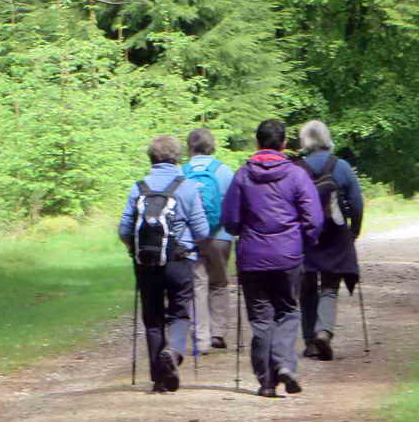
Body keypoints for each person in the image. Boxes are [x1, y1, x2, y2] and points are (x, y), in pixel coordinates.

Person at [221, 118, 322, 398]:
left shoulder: (242, 175)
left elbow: (229, 220)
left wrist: (245, 231)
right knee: (288, 311)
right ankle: (285, 364)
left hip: (252, 257)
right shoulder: (297, 175)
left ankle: (266, 382)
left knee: (261, 319)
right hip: (288, 255)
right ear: (284, 144)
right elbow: (313, 218)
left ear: (257, 143)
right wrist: (304, 241)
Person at [118, 134, 212, 393]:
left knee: (153, 318)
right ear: (177, 157)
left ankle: (159, 380)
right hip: (179, 260)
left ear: (151, 158)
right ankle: (174, 351)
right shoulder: (187, 187)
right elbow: (202, 230)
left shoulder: (138, 187)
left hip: (145, 262)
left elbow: (125, 229)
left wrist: (134, 249)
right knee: (180, 312)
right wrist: (194, 247)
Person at [295, 120, 365, 361]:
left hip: (306, 234)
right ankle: (323, 331)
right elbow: (356, 202)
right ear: (326, 138)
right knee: (329, 287)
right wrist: (354, 229)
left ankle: (309, 341)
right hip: (335, 232)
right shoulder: (341, 166)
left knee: (306, 288)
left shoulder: (297, 168)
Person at [182, 127, 235, 355]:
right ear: (212, 145)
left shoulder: (181, 172)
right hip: (221, 235)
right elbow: (234, 205)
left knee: (198, 284)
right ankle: (218, 333)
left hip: (193, 237)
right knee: (219, 283)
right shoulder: (224, 171)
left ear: (189, 147)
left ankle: (201, 338)